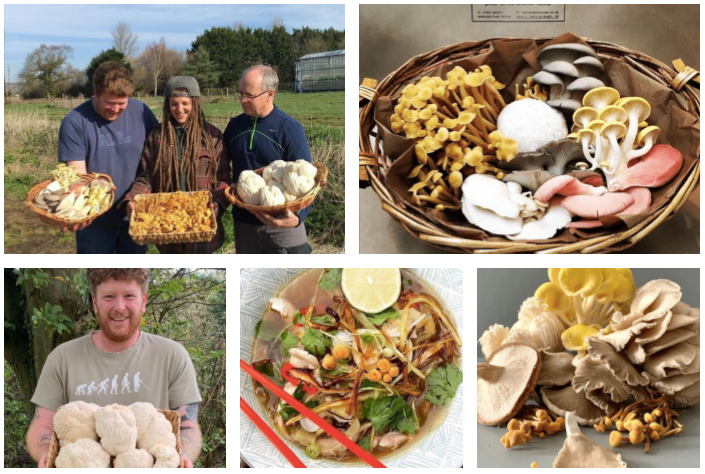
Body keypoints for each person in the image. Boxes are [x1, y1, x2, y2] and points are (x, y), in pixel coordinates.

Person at [26, 269, 202, 468]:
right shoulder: (62, 358)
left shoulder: (172, 355)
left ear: (143, 301)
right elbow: (42, 425)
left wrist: (183, 455)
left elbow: (188, 427)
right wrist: (44, 453)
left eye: (129, 296)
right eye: (109, 297)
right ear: (95, 303)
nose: (119, 307)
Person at [58, 61, 159, 254]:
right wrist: (79, 208)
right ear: (95, 93)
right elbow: (78, 177)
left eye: (122, 103)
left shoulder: (141, 111)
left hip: (136, 215)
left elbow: (157, 154)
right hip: (95, 222)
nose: (116, 109)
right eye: (109, 103)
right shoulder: (74, 121)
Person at [123, 76, 230, 254]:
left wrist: (218, 203)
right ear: (167, 105)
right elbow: (147, 177)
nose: (179, 110)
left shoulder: (212, 137)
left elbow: (224, 178)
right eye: (174, 104)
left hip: (202, 229)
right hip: (168, 229)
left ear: (195, 103)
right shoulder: (157, 136)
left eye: (185, 103)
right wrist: (134, 197)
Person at [224, 65, 314, 254]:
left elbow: (309, 181)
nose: (242, 100)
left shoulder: (290, 129)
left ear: (270, 94)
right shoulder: (234, 127)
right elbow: (220, 167)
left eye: (249, 95)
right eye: (240, 94)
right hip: (244, 224)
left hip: (283, 225)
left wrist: (297, 217)